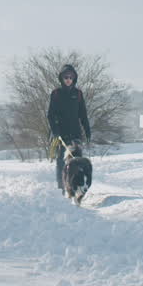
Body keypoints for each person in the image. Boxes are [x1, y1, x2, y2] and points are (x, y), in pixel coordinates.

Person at [47, 63, 91, 191]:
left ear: (74, 78)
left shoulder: (78, 94)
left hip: (76, 134)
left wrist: (87, 130)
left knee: (77, 162)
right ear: (61, 78)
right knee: (62, 162)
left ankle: (76, 188)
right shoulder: (56, 94)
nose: (68, 79)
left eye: (71, 77)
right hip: (61, 134)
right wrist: (55, 131)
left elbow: (83, 115)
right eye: (66, 77)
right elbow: (50, 115)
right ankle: (61, 188)